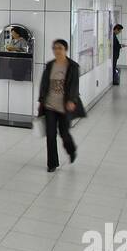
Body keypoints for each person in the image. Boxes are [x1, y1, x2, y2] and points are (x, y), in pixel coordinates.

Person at [37, 39, 86, 172]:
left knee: (64, 133)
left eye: (60, 48)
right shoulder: (50, 65)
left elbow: (74, 85)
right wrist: (41, 101)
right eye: (55, 48)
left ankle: (71, 150)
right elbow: (44, 84)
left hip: (64, 106)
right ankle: (52, 163)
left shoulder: (73, 66)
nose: (57, 50)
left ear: (66, 50)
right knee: (50, 134)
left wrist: (71, 100)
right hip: (50, 105)